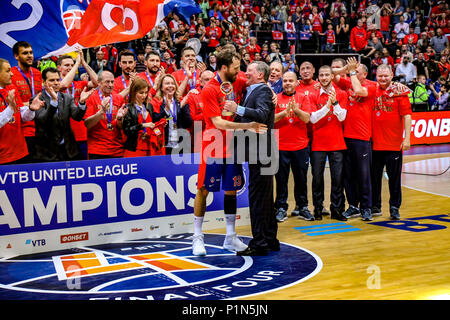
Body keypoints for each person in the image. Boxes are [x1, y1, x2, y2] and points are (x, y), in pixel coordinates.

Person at [191, 50, 267, 257]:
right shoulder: (209, 89)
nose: (239, 71)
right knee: (203, 190)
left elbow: (260, 84)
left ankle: (230, 237)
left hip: (233, 146)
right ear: (224, 68)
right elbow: (217, 122)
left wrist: (271, 94)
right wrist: (249, 125)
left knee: (231, 189)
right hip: (213, 145)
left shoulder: (238, 80)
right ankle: (197, 237)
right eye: (235, 67)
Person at [224, 60, 279, 256]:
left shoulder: (262, 90)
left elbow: (263, 115)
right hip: (262, 151)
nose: (246, 73)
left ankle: (260, 244)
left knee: (257, 199)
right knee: (264, 199)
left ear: (260, 75)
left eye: (250, 71)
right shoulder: (258, 89)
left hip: (261, 152)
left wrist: (236, 108)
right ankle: (270, 239)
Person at [333, 57, 377, 221]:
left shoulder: (372, 86)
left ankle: (366, 207)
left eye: (357, 72)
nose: (354, 73)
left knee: (363, 175)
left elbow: (359, 91)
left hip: (362, 137)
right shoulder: (349, 81)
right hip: (345, 137)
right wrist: (346, 68)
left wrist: (351, 72)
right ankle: (353, 206)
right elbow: (333, 75)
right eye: (354, 71)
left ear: (364, 74)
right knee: (348, 175)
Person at [372, 64, 412, 220]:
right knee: (373, 178)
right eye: (380, 76)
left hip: (393, 144)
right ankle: (375, 206)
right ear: (376, 76)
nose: (383, 79)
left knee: (394, 179)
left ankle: (394, 207)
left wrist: (407, 138)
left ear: (391, 75)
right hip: (374, 144)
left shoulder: (399, 92)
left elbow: (407, 115)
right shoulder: (371, 90)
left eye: (386, 76)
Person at [308, 65, 348, 221]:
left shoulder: (342, 94)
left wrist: (335, 102)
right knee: (317, 178)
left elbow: (342, 117)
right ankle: (317, 210)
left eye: (327, 75)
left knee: (337, 179)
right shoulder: (312, 95)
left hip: (337, 143)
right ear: (318, 77)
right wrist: (327, 106)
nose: (324, 78)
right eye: (321, 75)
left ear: (332, 77)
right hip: (318, 143)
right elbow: (312, 118)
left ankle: (336, 210)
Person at [33, 67, 95, 162]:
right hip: (47, 152)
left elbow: (77, 117)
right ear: (44, 82)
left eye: (58, 80)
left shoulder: (67, 97)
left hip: (68, 151)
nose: (56, 83)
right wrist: (53, 102)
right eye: (52, 80)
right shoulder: (37, 99)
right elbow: (43, 120)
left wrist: (82, 102)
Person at [273, 71, 311, 222]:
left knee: (301, 180)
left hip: (300, 146)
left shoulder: (303, 97)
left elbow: (307, 118)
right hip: (281, 146)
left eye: (290, 80)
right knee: (281, 180)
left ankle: (303, 207)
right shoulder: (276, 98)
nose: (287, 83)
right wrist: (284, 112)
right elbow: (271, 120)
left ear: (297, 82)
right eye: (285, 81)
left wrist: (295, 109)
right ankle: (281, 208)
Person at [0, 58, 44, 165]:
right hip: (3, 157)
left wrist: (31, 109)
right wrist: (11, 108)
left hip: (21, 152)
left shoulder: (11, 88)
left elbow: (22, 116)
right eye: (7, 71)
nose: (11, 74)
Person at [58, 51, 99, 160]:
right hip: (63, 136)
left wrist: (83, 63)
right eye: (67, 65)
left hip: (80, 134)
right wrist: (76, 64)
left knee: (83, 168)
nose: (70, 67)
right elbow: (63, 85)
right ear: (58, 68)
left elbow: (96, 82)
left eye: (72, 65)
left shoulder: (79, 84)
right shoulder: (55, 84)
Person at [11, 41, 43, 162]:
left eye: (31, 52)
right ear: (16, 56)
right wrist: (30, 105)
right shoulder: (12, 74)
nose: (29, 55)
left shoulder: (37, 73)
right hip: (23, 129)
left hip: (39, 126)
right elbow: (14, 104)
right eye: (25, 53)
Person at [84, 71, 127, 159]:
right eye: (107, 82)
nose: (110, 85)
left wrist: (119, 119)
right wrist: (101, 112)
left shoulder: (119, 98)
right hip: (97, 149)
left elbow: (121, 127)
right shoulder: (91, 98)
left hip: (117, 149)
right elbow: (87, 124)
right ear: (99, 82)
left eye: (112, 82)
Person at [151, 74, 193, 155]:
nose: (170, 85)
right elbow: (154, 121)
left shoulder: (180, 101)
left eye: (172, 83)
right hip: (164, 146)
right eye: (167, 83)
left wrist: (181, 108)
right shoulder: (156, 102)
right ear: (161, 87)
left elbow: (188, 123)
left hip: (180, 146)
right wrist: (166, 110)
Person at [122, 77, 164, 157]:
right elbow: (127, 130)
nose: (144, 95)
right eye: (141, 93)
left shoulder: (149, 107)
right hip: (134, 150)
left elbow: (153, 124)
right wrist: (142, 125)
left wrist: (159, 125)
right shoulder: (128, 108)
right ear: (134, 92)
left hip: (149, 149)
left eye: (146, 93)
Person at [187, 70, 215, 153]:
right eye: (207, 79)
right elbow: (194, 120)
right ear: (200, 82)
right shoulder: (193, 95)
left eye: (212, 79)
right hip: (200, 140)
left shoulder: (220, 95)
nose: (210, 82)